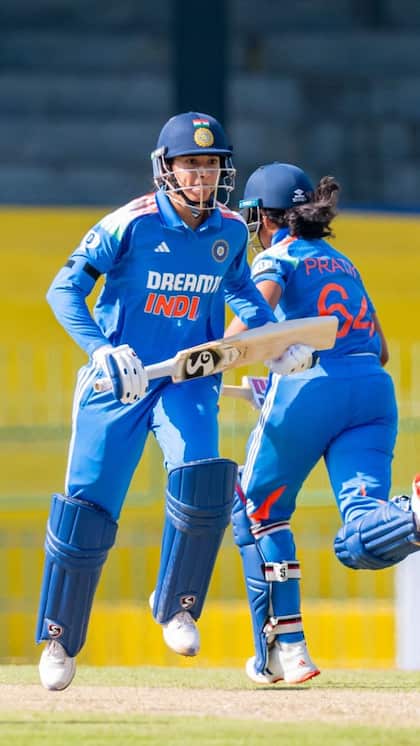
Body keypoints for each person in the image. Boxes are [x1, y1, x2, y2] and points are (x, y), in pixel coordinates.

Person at [35, 116, 317, 691]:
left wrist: (275, 341)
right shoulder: (131, 223)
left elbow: (241, 288)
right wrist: (100, 350)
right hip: (121, 380)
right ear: (166, 168)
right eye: (191, 164)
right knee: (88, 509)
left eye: (211, 165)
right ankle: (60, 639)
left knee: (202, 479)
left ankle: (177, 605)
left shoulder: (230, 229)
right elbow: (63, 289)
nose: (202, 175)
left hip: (188, 380)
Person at [226, 161, 420, 685]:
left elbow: (249, 324)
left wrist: (207, 358)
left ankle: (285, 649)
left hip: (311, 391)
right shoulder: (343, 263)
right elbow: (378, 349)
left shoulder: (277, 257)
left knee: (256, 510)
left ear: (264, 218)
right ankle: (414, 515)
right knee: (360, 534)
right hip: (373, 392)